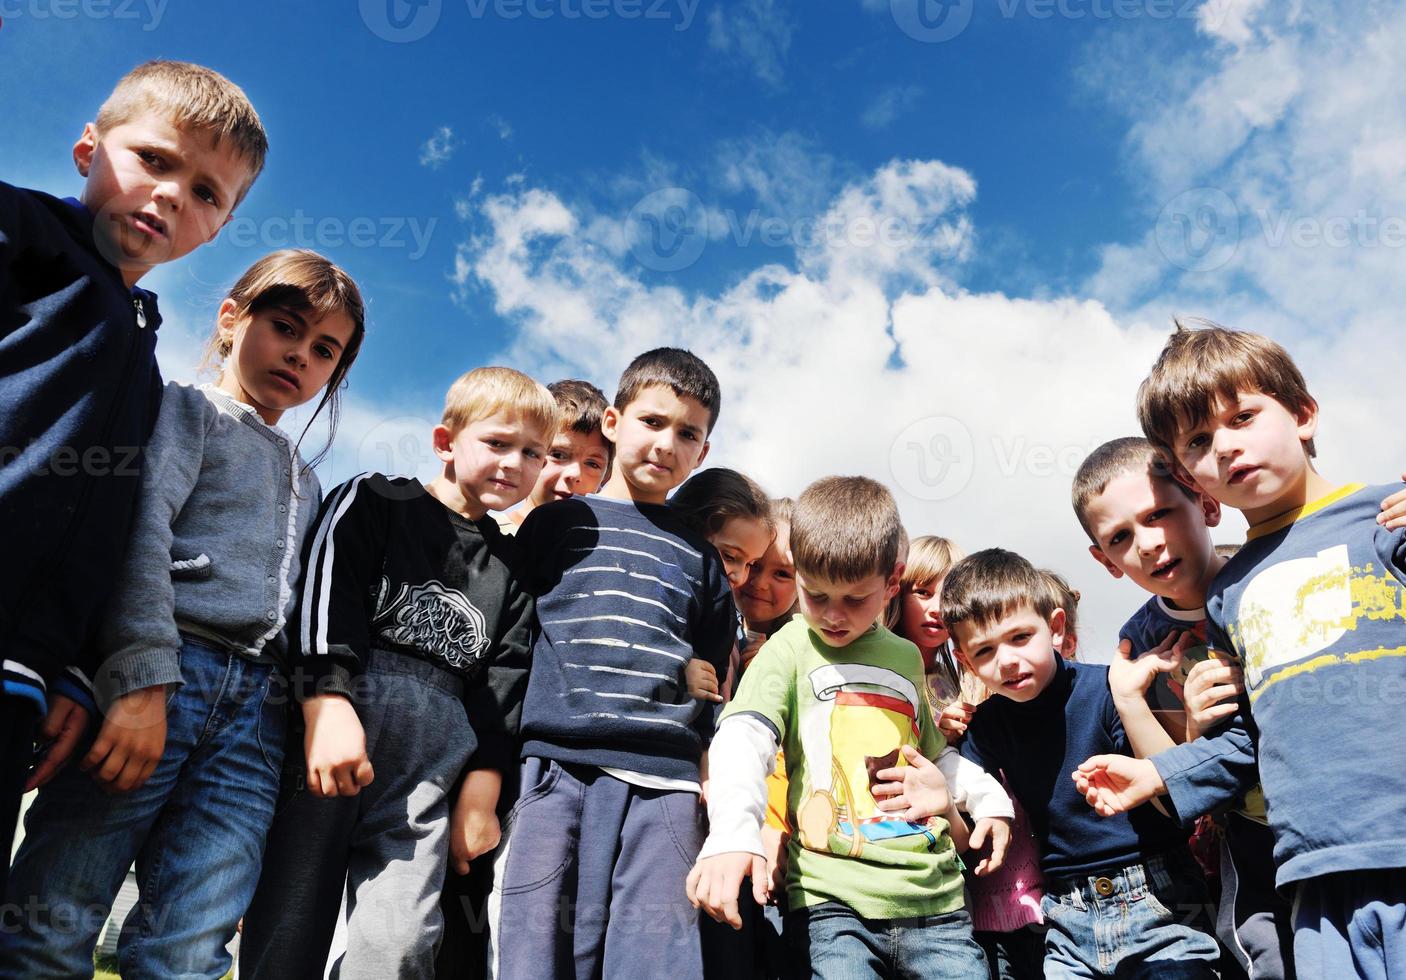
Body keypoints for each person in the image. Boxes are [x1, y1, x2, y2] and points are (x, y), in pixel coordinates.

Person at [1, 250, 362, 978]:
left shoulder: (311, 479)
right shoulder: (184, 411)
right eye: (286, 327)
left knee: (193, 942)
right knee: (56, 913)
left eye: (324, 349)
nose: (300, 354)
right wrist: (140, 680)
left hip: (257, 719)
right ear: (232, 320)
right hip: (162, 677)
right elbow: (140, 536)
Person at [0, 60, 267, 887]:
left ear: (217, 228)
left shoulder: (148, 375)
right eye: (153, 160)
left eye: (206, 193)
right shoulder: (22, 233)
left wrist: (77, 671)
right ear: (89, 148)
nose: (171, 196)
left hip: (24, 673)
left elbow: (111, 528)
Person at [1075, 323, 1406, 979]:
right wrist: (1159, 774)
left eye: (1243, 418)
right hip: (1310, 872)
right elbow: (1248, 737)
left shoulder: (1385, 520)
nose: (1225, 446)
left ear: (1304, 413)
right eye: (1199, 440)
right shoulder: (1231, 595)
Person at [239, 367, 552, 979]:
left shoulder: (511, 571)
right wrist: (327, 703)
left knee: (402, 942)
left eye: (533, 454)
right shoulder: (376, 499)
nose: (515, 463)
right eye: (497, 442)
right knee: (288, 927)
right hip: (329, 747)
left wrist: (483, 787)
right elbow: (327, 598)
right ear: (445, 442)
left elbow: (504, 686)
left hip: (429, 776)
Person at [689, 476, 1011, 979]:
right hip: (831, 900)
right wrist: (734, 833)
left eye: (855, 600)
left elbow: (933, 755)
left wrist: (987, 799)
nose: (833, 618)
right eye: (816, 596)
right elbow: (745, 734)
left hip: (935, 901)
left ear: (891, 582)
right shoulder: (791, 647)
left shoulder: (905, 657)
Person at [490, 348, 738, 980]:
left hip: (666, 784)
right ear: (612, 421)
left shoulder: (701, 557)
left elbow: (710, 677)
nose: (666, 444)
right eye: (652, 422)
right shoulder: (556, 526)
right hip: (555, 772)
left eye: (688, 434)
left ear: (702, 453)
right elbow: (508, 645)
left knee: (653, 960)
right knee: (535, 954)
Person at [943, 548, 1221, 978]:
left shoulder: (1108, 691)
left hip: (1157, 894)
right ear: (965, 661)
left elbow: (1174, 791)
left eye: (1020, 638)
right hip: (1066, 917)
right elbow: (964, 786)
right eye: (984, 652)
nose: (1007, 661)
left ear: (1055, 628)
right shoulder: (987, 727)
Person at [1073, 434, 1291, 979]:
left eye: (1159, 515)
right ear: (1106, 562)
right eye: (1121, 536)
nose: (1146, 543)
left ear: (1207, 504)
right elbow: (1178, 795)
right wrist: (1185, 721)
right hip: (1252, 842)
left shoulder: (1278, 569)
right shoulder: (1141, 644)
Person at [497, 379, 612, 534]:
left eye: (592, 464)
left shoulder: (605, 550)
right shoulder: (488, 539)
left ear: (604, 479)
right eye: (558, 454)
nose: (574, 473)